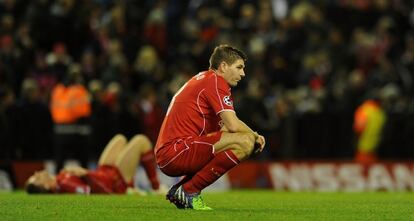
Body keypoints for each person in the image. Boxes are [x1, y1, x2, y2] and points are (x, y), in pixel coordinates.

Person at [154, 45, 266, 210]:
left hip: (172, 151)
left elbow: (224, 130)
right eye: (239, 67)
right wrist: (255, 136)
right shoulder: (215, 81)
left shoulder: (205, 79)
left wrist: (251, 135)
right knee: (244, 142)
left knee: (242, 139)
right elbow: (233, 125)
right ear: (223, 66)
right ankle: (189, 190)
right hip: (177, 150)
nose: (243, 74)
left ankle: (180, 190)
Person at [26, 134, 166, 194]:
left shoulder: (60, 180)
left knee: (120, 139)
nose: (37, 173)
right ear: (45, 185)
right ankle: (156, 187)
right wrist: (86, 173)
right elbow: (87, 192)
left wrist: (87, 174)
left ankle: (140, 186)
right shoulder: (64, 184)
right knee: (141, 141)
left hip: (104, 172)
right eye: (37, 178)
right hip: (115, 181)